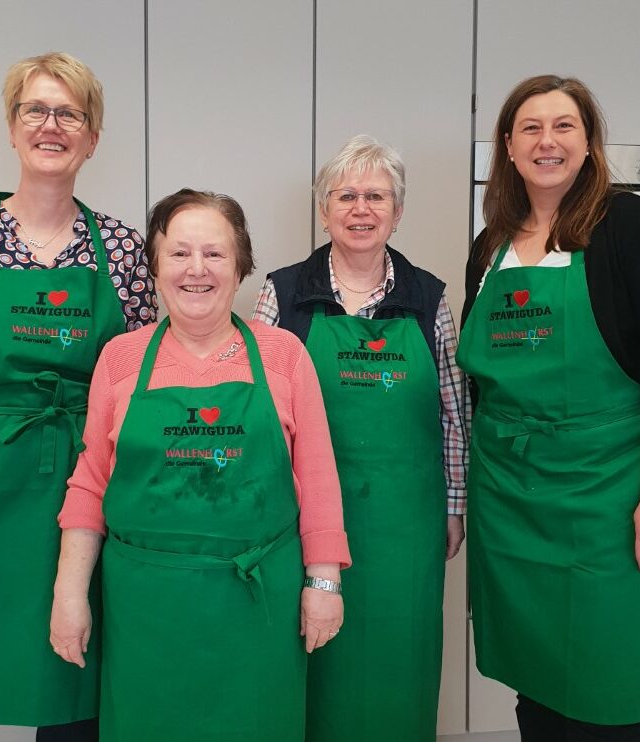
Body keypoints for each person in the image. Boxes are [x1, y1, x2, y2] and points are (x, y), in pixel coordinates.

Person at [0, 52, 155, 742]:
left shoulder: (123, 250)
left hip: (80, 497)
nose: (52, 125)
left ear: (92, 137)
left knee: (69, 688)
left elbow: (138, 388)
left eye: (69, 113)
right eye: (35, 110)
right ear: (11, 129)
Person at [458, 75, 640, 741]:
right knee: (536, 685)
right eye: (531, 128)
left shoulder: (629, 227)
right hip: (511, 499)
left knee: (605, 692)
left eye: (564, 126)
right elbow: (482, 384)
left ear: (589, 143)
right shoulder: (492, 246)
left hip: (609, 496)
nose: (548, 141)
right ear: (508, 146)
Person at [50, 189, 350, 742]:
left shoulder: (283, 354)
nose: (197, 270)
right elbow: (90, 485)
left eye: (214, 254)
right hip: (146, 609)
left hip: (257, 605)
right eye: (179, 253)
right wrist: (69, 597)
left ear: (240, 269)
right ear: (155, 267)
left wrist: (324, 585)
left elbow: (319, 476)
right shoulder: (121, 358)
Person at [254, 134, 469, 742]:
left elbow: (453, 409)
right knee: (313, 659)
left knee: (400, 657)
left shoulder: (429, 297)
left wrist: (454, 506)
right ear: (324, 209)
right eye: (345, 195)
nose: (360, 209)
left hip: (408, 522)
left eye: (376, 196)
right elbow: (262, 411)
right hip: (305, 516)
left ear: (397, 212)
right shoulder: (285, 291)